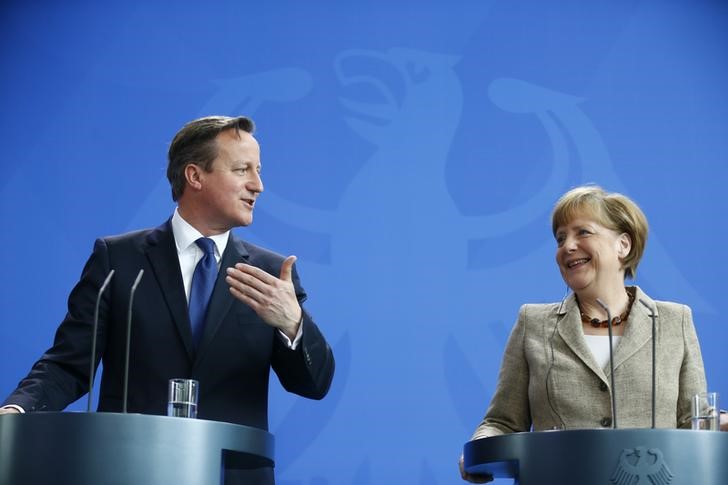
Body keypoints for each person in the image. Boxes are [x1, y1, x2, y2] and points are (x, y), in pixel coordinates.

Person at [0, 115, 335, 484]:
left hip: (230, 474)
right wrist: (17, 409)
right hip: (128, 469)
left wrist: (293, 324)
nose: (258, 185)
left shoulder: (272, 274)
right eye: (242, 169)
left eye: (258, 170)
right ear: (195, 176)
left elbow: (314, 385)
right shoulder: (119, 260)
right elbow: (68, 365)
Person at [459, 185, 726, 483]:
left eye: (582, 232)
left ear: (623, 245)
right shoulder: (531, 322)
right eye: (560, 238)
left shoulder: (675, 321)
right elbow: (501, 422)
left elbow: (696, 423)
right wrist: (477, 450)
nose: (567, 246)